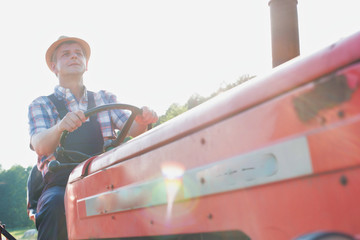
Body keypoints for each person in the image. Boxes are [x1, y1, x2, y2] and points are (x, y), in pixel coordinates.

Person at [27, 36, 158, 240]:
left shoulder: (104, 98)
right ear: (54, 67)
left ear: (86, 65)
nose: (74, 57)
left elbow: (134, 127)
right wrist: (60, 127)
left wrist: (144, 118)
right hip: (64, 183)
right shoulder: (41, 104)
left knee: (152, 198)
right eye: (66, 54)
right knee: (54, 207)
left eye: (79, 53)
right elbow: (41, 145)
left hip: (109, 178)